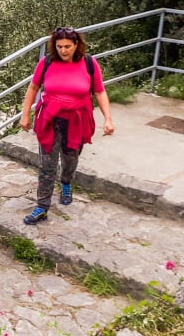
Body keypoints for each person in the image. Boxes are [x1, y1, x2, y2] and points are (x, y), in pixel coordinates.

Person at [19, 27, 114, 224]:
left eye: (67, 46)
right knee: (47, 165)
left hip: (77, 120)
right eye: (59, 46)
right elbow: (33, 87)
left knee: (71, 159)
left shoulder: (89, 63)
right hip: (50, 120)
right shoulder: (46, 63)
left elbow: (100, 91)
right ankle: (42, 206)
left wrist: (108, 118)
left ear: (77, 45)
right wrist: (25, 114)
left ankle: (66, 183)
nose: (63, 50)